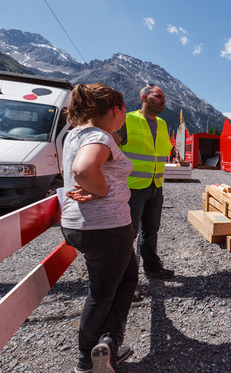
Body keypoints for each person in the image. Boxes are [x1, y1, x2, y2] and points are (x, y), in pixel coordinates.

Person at [61, 83, 137, 373]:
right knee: (102, 293)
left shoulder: (76, 134)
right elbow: (83, 169)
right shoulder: (97, 136)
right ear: (116, 110)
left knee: (128, 278)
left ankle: (107, 344)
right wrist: (103, 191)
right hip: (105, 227)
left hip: (84, 224)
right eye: (125, 110)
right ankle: (88, 360)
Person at [113, 85, 174, 282]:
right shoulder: (128, 120)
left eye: (164, 97)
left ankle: (152, 267)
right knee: (127, 233)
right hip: (132, 187)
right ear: (144, 98)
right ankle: (122, 276)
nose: (163, 100)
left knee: (151, 230)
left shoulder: (163, 124)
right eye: (158, 96)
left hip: (155, 186)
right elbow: (109, 148)